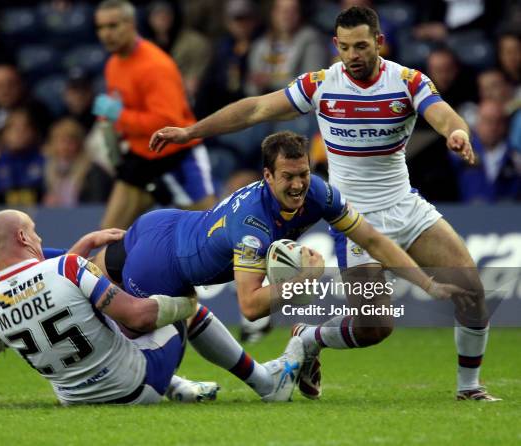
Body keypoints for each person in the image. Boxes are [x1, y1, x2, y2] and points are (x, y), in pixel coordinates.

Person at [0, 131, 469, 402]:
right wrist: (308, 282)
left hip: (164, 225)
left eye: (303, 174)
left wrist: (423, 280)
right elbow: (252, 304)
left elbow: (372, 236)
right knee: (156, 312)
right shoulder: (254, 226)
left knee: (86, 271)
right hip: (163, 266)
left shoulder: (320, 193)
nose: (299, 184)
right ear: (266, 176)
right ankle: (256, 384)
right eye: (287, 177)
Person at [149, 6, 499, 401]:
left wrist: (457, 134)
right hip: (352, 217)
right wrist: (191, 132)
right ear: (336, 45)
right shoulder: (321, 84)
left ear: (379, 43)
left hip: (405, 207)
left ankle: (469, 389)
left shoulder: (407, 81)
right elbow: (255, 109)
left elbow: (444, 115)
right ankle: (310, 338)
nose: (353, 55)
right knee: (375, 328)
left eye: (362, 46)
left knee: (471, 287)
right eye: (346, 47)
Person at [0, 209, 222, 405]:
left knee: (98, 320)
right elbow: (138, 317)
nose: (39, 238)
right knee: (163, 305)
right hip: (135, 388)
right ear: (22, 237)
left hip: (73, 399)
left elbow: (49, 284)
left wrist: (88, 241)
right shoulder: (67, 267)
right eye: (34, 231)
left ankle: (180, 386)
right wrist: (187, 304)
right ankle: (259, 379)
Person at [91, 0, 215, 230]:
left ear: (131, 24)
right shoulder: (113, 64)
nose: (105, 34)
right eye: (100, 27)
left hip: (177, 156)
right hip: (141, 156)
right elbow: (121, 116)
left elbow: (168, 125)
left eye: (112, 26)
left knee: (211, 232)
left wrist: (119, 115)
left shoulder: (156, 65)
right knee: (106, 234)